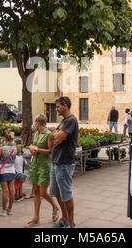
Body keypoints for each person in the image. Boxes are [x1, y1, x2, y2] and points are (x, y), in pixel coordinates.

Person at [24, 114, 60, 228]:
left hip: (44, 166)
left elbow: (50, 151)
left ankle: (55, 206)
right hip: (35, 165)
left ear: (38, 123)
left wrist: (38, 149)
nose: (34, 125)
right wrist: (31, 148)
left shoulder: (48, 135)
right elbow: (33, 145)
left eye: (35, 123)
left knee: (43, 192)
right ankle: (36, 218)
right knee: (36, 192)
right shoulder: (36, 134)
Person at [50, 97, 78, 228]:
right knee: (56, 192)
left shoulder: (71, 120)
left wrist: (56, 135)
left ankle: (71, 223)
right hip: (56, 162)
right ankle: (65, 218)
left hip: (64, 163)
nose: (56, 109)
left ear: (65, 105)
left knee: (66, 193)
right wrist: (56, 134)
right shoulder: (64, 121)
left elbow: (57, 139)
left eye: (58, 106)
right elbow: (54, 137)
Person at [0, 129, 17, 217]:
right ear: (12, 139)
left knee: (5, 190)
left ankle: (3, 210)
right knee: (11, 189)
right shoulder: (15, 148)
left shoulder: (2, 149)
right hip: (12, 170)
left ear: (5, 138)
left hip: (3, 170)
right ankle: (10, 209)